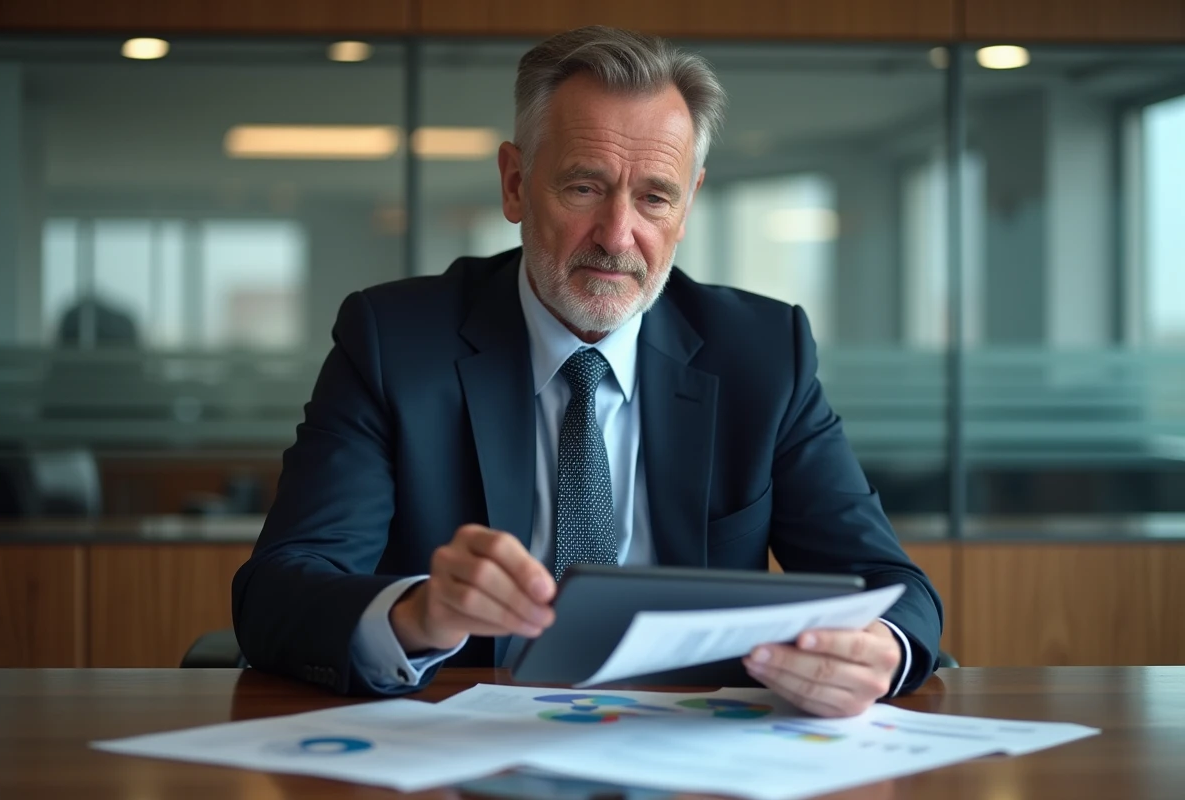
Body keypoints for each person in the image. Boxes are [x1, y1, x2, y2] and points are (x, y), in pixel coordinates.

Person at [232, 26, 942, 718]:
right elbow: (276, 594)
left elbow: (894, 586)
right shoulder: (395, 342)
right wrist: (420, 614)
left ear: (687, 205)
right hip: (466, 737)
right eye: (583, 188)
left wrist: (878, 649)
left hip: (693, 744)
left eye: (654, 197)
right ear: (515, 184)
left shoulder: (761, 352)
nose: (617, 234)